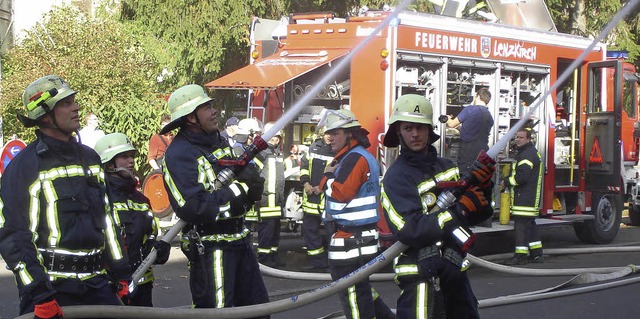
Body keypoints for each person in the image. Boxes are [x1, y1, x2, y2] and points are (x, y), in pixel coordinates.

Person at [0, 75, 131, 318]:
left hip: (98, 286)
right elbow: (16, 238)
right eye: (66, 103)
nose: (76, 107)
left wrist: (121, 273)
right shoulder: (24, 168)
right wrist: (40, 294)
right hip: (52, 289)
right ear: (45, 115)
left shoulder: (91, 159)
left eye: (74, 101)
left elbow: (109, 223)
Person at [381, 94, 495, 319]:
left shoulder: (448, 167)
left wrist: (484, 187)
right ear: (398, 132)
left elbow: (478, 214)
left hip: (454, 273)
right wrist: (458, 211)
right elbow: (409, 229)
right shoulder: (396, 178)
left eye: (420, 128)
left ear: (429, 130)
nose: (415, 134)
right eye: (408, 128)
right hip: (420, 280)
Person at [159, 84, 269, 314]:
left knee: (256, 310)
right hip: (212, 248)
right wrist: (241, 192)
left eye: (212, 106)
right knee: (218, 312)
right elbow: (192, 206)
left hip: (240, 240)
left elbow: (236, 180)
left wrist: (252, 183)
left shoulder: (218, 141)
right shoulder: (179, 154)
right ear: (191, 117)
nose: (214, 111)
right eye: (206, 107)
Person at [318, 109, 395, 319]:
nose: (329, 137)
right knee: (362, 291)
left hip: (351, 242)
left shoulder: (354, 158)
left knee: (353, 296)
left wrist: (327, 176)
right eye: (328, 133)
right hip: (356, 239)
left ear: (349, 134)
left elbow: (341, 193)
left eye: (335, 132)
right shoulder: (357, 156)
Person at [95, 133, 172, 306]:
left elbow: (150, 235)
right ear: (108, 163)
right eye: (124, 156)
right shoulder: (98, 198)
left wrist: (158, 250)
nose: (131, 161)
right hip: (111, 288)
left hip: (142, 286)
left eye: (132, 156)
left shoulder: (141, 200)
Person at [502, 127, 544, 265]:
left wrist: (506, 182)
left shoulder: (527, 155)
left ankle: (520, 256)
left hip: (524, 197)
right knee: (530, 226)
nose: (517, 140)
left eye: (521, 138)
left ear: (528, 139)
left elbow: (522, 178)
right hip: (529, 197)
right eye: (516, 137)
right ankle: (537, 255)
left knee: (521, 227)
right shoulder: (530, 152)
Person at [299, 128, 335, 270]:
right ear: (322, 134)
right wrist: (306, 183)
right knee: (309, 231)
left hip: (328, 201)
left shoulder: (338, 150)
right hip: (311, 199)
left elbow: (336, 173)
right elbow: (304, 167)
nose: (329, 137)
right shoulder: (313, 148)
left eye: (332, 133)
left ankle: (334, 262)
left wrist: (321, 187)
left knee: (332, 233)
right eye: (327, 133)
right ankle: (317, 262)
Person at [251, 122, 286, 267]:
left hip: (276, 199)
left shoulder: (277, 153)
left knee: (275, 229)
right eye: (272, 136)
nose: (275, 139)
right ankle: (264, 258)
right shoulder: (262, 153)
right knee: (266, 229)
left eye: (277, 137)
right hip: (266, 198)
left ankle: (273, 255)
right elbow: (253, 174)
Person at [444, 87, 494, 173]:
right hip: (483, 152)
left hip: (467, 152)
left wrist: (447, 118)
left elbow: (452, 124)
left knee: (465, 178)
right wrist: (459, 128)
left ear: (478, 96)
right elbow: (472, 131)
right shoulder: (489, 116)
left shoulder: (470, 109)